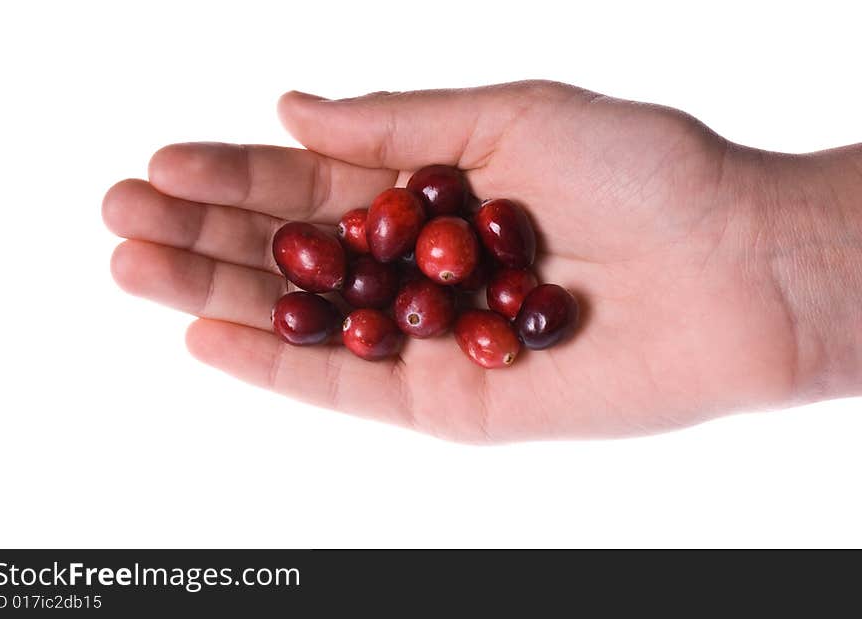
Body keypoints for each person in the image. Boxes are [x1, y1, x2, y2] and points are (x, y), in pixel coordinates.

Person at [101, 81, 861, 442]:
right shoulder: (406, 283)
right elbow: (392, 289)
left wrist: (771, 257)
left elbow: (422, 274)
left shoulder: (445, 267)